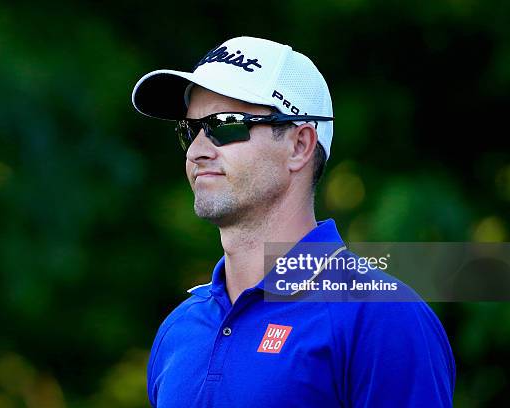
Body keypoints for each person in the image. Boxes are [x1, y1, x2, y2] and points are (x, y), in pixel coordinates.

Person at [131, 36, 455, 407]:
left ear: (300, 145)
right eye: (190, 130)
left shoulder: (382, 317)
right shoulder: (178, 330)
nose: (198, 150)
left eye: (225, 124)